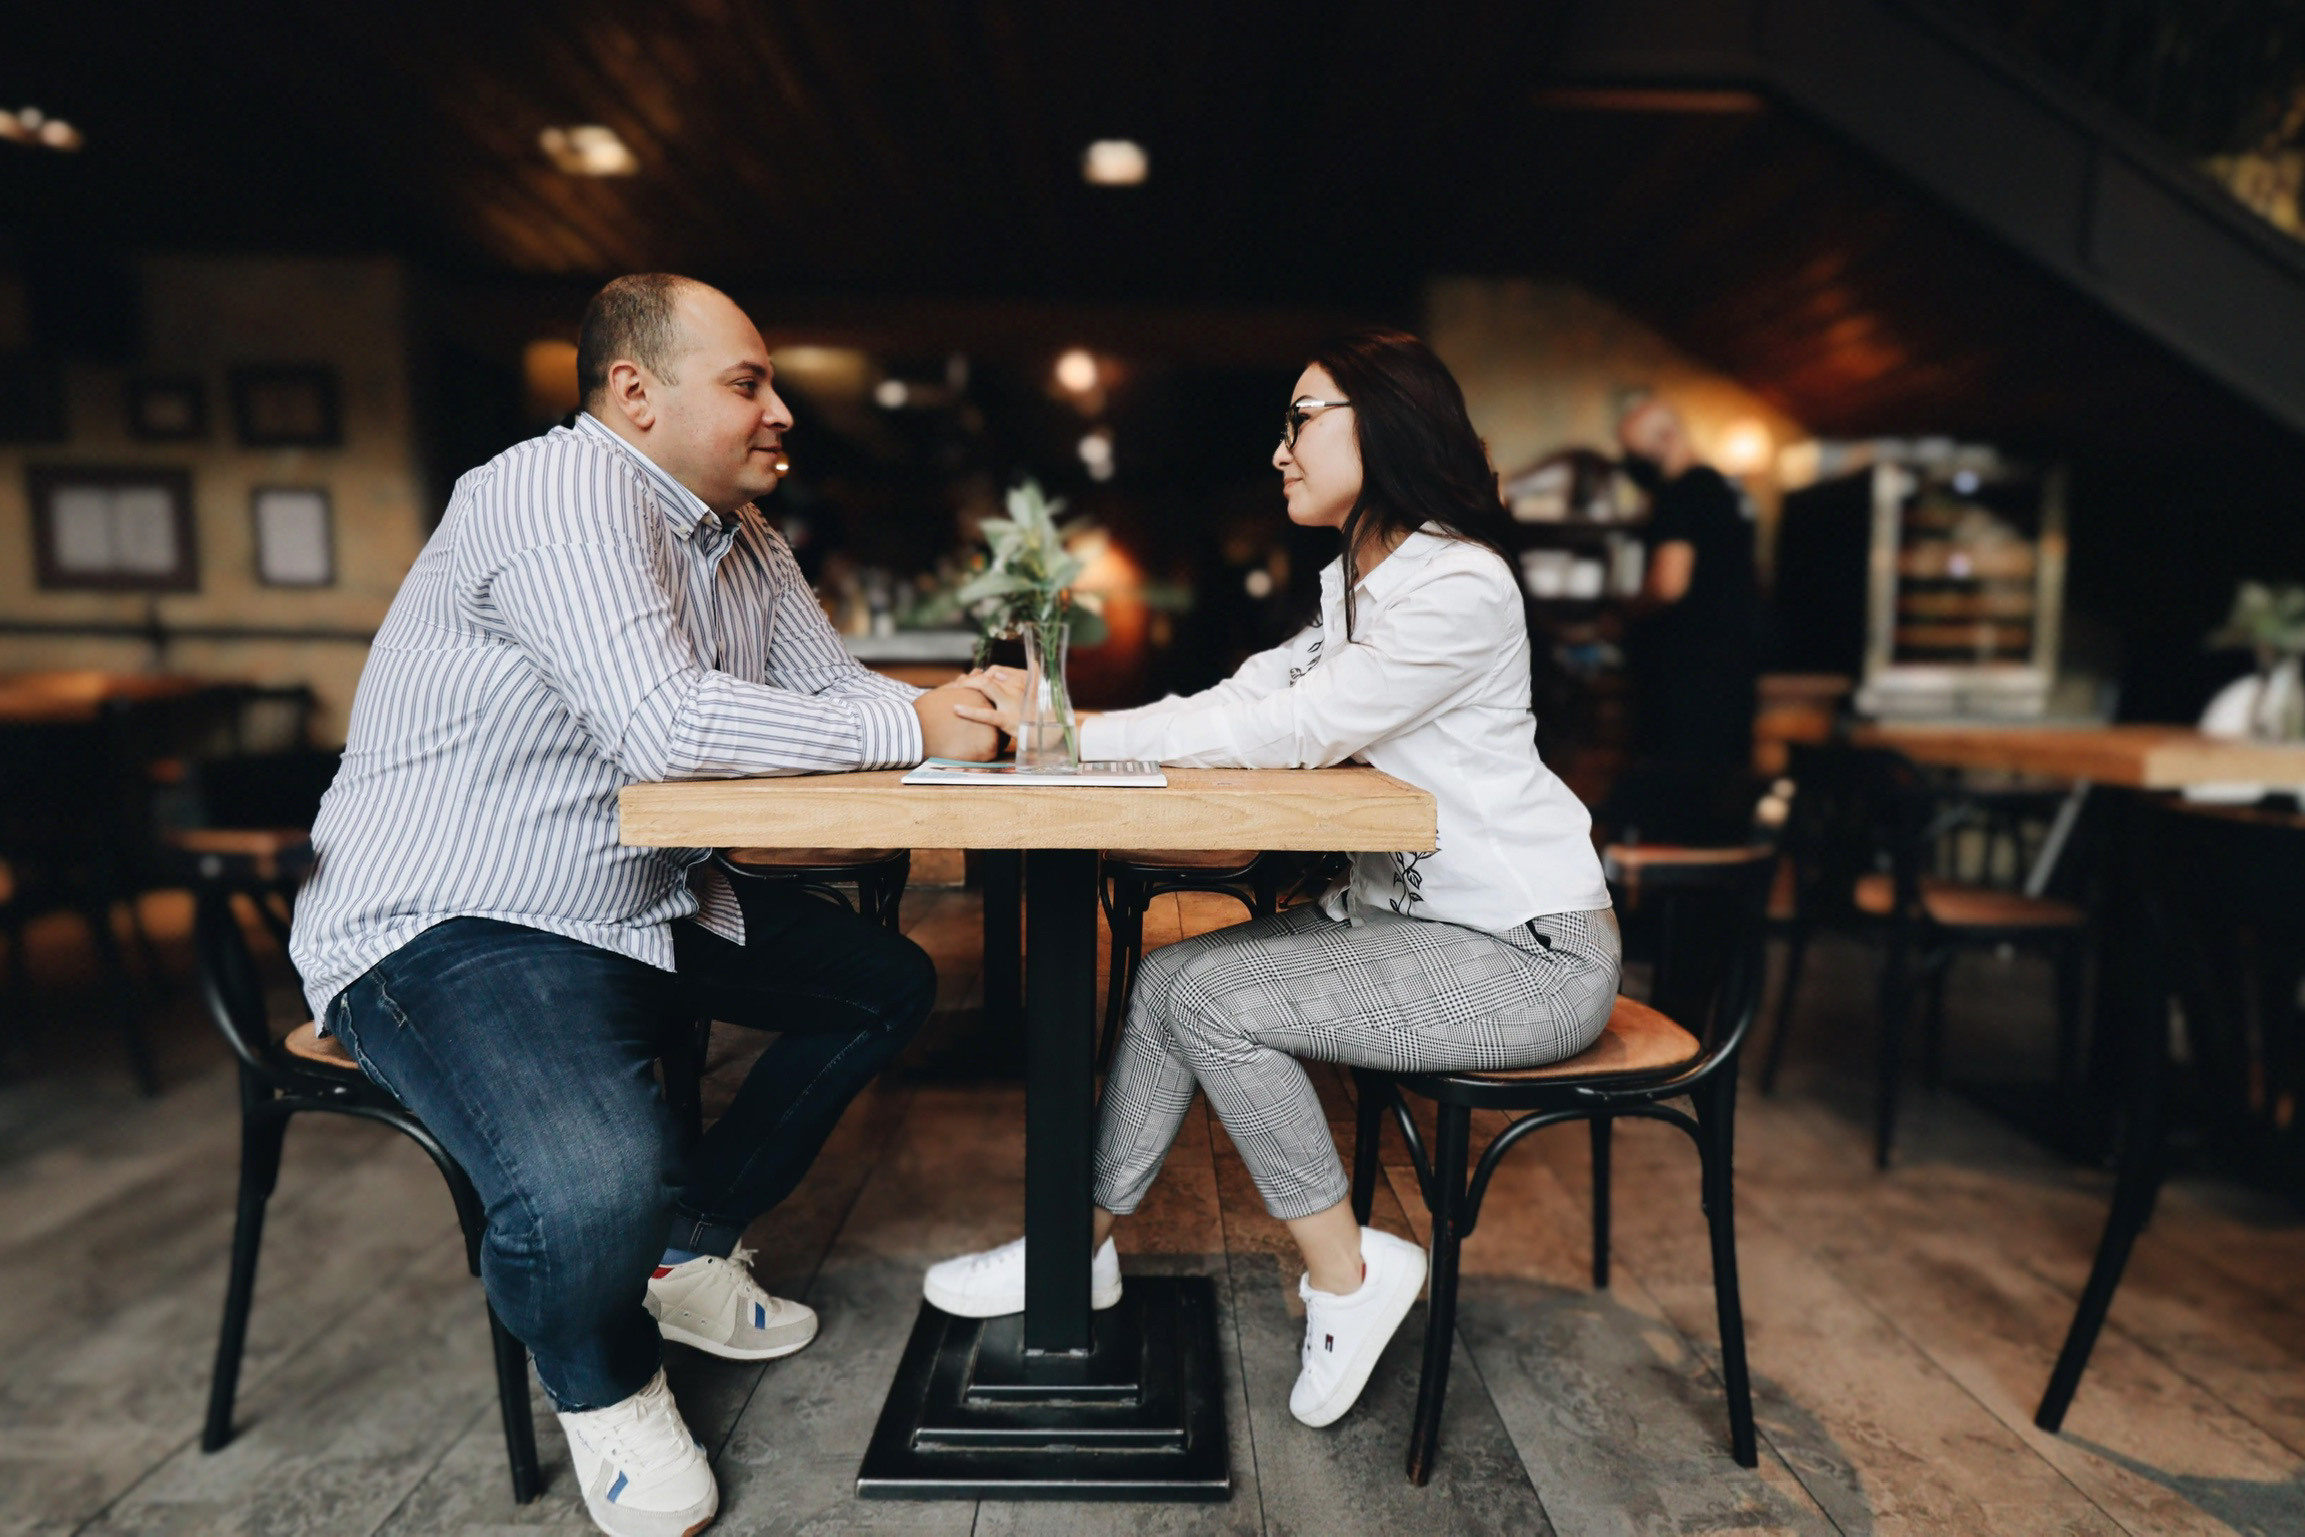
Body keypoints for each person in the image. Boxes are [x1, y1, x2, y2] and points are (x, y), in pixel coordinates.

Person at [289, 274, 999, 1537]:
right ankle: (607, 1381)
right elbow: (666, 726)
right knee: (584, 1190)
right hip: (452, 913)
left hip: (635, 894)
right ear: (634, 391)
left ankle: (688, 1243)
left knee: (882, 984)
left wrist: (960, 707)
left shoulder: (746, 539)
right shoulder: (552, 488)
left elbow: (837, 702)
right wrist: (909, 718)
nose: (781, 411)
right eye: (747, 383)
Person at [927, 330, 1619, 1430]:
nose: (1280, 448)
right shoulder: (1357, 583)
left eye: (1303, 417)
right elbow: (1241, 696)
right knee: (1165, 984)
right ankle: (1074, 1252)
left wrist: (1073, 733)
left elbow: (1293, 727)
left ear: (1382, 424)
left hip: (1525, 953)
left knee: (1208, 1000)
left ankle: (1348, 1277)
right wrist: (1072, 728)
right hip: (1412, 923)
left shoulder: (1458, 585)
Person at [1609, 396, 1761, 845]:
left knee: (1676, 814)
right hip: (1731, 676)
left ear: (1668, 438)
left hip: (1688, 682)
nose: (1632, 465)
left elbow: (1668, 585)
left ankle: (1669, 909)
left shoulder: (1682, 493)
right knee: (1718, 809)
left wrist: (1625, 611)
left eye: (1636, 454)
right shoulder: (1726, 493)